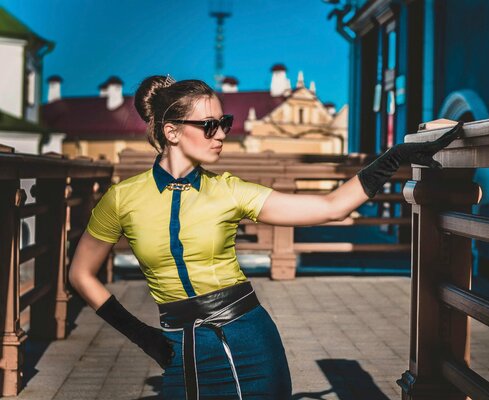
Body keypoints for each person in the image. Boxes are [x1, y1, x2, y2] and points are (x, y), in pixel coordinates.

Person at [68, 75, 462, 400]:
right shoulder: (122, 199)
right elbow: (81, 274)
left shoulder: (230, 190)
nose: (220, 134)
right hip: (181, 352)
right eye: (209, 126)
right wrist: (143, 337)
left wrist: (394, 157)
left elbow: (331, 207)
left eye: (225, 123)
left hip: (250, 341)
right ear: (171, 131)